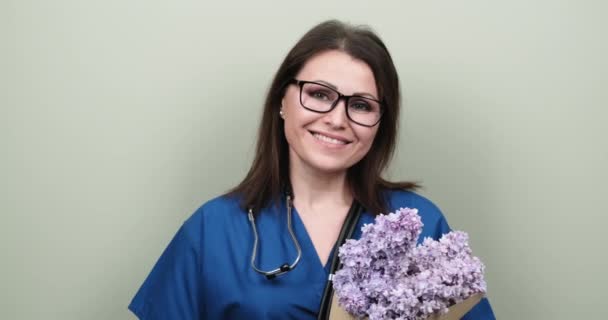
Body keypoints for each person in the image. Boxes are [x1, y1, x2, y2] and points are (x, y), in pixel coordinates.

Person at [128, 20, 496, 319]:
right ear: (282, 102)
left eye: (362, 105)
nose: (337, 119)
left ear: (380, 121)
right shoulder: (213, 229)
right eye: (319, 94)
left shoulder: (419, 225)